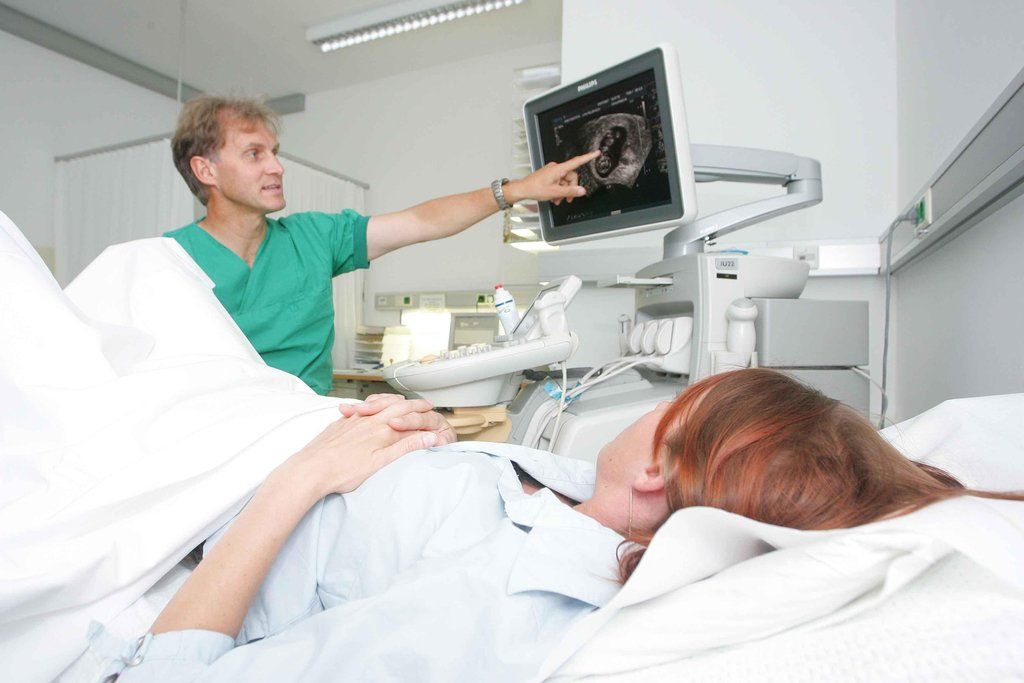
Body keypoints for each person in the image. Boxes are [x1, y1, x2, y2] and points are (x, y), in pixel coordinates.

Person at [87, 369, 1024, 680]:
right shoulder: (582, 495)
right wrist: (431, 440)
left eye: (673, 400)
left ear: (658, 468)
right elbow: (476, 495)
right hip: (267, 429)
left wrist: (303, 476)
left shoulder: (493, 607)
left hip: (193, 508)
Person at [164, 96, 599, 394]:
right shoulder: (168, 261)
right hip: (228, 436)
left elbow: (422, 221)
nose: (277, 167)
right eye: (254, 154)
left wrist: (518, 190)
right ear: (206, 170)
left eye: (275, 152)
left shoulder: (314, 237)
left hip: (309, 428)